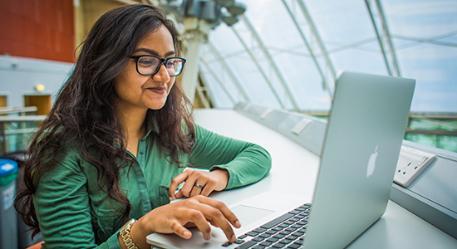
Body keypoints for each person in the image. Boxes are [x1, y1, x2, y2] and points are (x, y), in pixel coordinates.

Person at [14, 4, 271, 249]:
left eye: (170, 62)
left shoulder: (174, 129)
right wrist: (142, 230)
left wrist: (216, 177)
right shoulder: (62, 148)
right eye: (147, 61)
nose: (164, 77)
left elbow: (257, 155)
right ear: (107, 64)